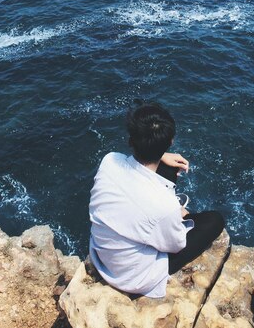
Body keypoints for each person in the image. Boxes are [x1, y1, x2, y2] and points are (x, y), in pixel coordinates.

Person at [89, 101, 225, 298]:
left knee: (168, 170)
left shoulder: (109, 161)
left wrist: (162, 157)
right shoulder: (165, 207)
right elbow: (174, 246)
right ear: (170, 142)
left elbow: (135, 161)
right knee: (214, 220)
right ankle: (178, 218)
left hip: (102, 254)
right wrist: (177, 215)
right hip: (131, 277)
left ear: (130, 140)